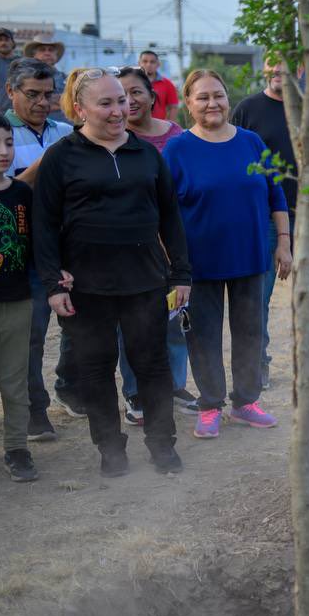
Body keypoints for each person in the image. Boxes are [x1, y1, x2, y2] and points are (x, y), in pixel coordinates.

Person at [33, 70, 191, 476]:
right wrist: (53, 283)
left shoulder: (147, 154)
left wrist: (181, 274)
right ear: (80, 108)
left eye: (121, 100)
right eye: (106, 103)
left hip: (145, 282)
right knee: (95, 369)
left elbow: (170, 218)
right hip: (86, 286)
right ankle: (110, 450)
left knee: (153, 366)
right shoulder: (62, 156)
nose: (119, 110)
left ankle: (162, 446)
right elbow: (45, 225)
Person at [166, 69, 290, 439]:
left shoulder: (251, 142)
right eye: (202, 97)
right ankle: (210, 405)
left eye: (217, 95)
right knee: (202, 335)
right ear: (188, 103)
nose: (212, 103)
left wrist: (283, 242)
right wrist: (174, 265)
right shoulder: (178, 148)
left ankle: (245, 402)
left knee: (251, 331)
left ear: (228, 97)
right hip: (198, 261)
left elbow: (276, 195)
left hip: (250, 256)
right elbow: (165, 211)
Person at [230, 59, 309, 387]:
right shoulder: (247, 110)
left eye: (288, 65)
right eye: (272, 64)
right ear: (264, 67)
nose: (279, 70)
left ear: (302, 70)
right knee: (258, 294)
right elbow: (235, 161)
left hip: (306, 214)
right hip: (261, 217)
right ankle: (257, 364)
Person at [112, 66, 194, 422]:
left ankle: (174, 383)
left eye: (135, 92)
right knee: (130, 324)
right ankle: (135, 393)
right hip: (130, 248)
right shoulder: (113, 140)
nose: (129, 101)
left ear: (152, 97)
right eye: (120, 95)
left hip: (172, 243)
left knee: (173, 320)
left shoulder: (177, 136)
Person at [4, 57, 77, 442]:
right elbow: (10, 191)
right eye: (32, 94)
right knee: (31, 336)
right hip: (23, 251)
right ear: (10, 92)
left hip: (68, 247)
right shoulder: (1, 135)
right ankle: (35, 409)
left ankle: (70, 385)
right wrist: (49, 162)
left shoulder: (65, 130)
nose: (42, 102)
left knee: (79, 326)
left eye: (49, 95)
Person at [0, 112, 37, 481]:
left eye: (8, 142)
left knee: (13, 379)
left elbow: (36, 245)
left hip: (17, 299)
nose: (3, 151)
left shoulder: (23, 193)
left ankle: (17, 448)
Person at [21, 36, 66, 121]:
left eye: (51, 50)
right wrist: (60, 101)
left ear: (56, 55)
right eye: (42, 50)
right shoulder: (25, 78)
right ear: (34, 55)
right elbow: (27, 105)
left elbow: (73, 103)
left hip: (66, 129)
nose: (47, 53)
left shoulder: (66, 78)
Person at [138, 51, 179, 122]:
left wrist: (169, 127)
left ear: (158, 64)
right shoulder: (132, 83)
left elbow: (173, 107)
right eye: (145, 61)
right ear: (139, 63)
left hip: (159, 128)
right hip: (135, 128)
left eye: (152, 62)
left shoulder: (167, 84)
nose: (148, 64)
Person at [0, 28, 17, 114]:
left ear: (13, 43)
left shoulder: (22, 62)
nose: (3, 43)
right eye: (0, 40)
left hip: (19, 114)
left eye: (7, 40)